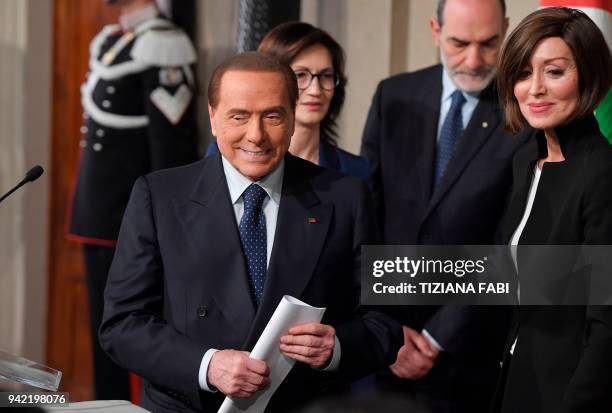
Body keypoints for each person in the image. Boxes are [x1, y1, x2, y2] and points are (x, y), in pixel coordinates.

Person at [99, 52, 401, 412]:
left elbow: (386, 322)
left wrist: (335, 349)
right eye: (238, 117)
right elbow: (122, 324)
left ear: (292, 118)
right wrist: (207, 365)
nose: (255, 136)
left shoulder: (347, 197)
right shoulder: (159, 196)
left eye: (272, 116)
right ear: (213, 118)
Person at [360, 0, 532, 411]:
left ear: (506, 30)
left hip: (468, 353)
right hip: (384, 341)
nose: (474, 60)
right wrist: (386, 328)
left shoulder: (525, 112)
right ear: (435, 31)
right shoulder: (394, 95)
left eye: (490, 43)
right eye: (459, 43)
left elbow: (507, 243)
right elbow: (366, 218)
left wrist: (438, 337)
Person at [67, 0, 199, 400]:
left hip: (130, 213)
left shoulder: (164, 44)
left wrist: (168, 219)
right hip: (99, 210)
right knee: (103, 327)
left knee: (134, 331)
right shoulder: (117, 40)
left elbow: (169, 145)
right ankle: (109, 404)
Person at [495, 7, 612, 412]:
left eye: (555, 72)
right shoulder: (524, 159)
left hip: (570, 394)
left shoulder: (602, 173)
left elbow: (607, 321)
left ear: (589, 75)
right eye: (524, 73)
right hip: (514, 378)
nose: (535, 88)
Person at [207, 22, 368, 179]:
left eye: (326, 76)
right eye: (300, 75)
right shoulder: (222, 156)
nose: (315, 90)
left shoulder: (355, 169)